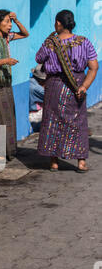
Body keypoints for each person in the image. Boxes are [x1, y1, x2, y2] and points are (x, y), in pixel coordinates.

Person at [36, 10, 99, 173]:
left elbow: (38, 58)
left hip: (54, 86)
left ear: (58, 23)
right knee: (77, 122)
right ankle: (81, 162)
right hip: (76, 85)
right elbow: (93, 67)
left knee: (53, 121)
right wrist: (84, 86)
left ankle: (54, 162)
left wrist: (49, 40)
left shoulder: (50, 43)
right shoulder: (84, 42)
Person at [0, 10, 29, 160]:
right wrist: (5, 61)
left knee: (8, 115)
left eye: (10, 22)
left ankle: (10, 150)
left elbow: (25, 34)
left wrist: (16, 20)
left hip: (5, 80)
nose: (9, 26)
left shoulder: (6, 37)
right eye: (6, 22)